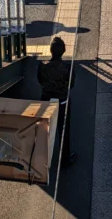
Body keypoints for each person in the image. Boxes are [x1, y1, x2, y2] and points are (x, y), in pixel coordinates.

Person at [37, 36, 76, 166]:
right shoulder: (68, 68)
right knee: (63, 130)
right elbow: (71, 85)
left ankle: (42, 158)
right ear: (63, 51)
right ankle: (64, 159)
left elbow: (40, 81)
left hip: (46, 101)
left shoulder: (42, 66)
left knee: (44, 129)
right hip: (62, 102)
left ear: (51, 50)